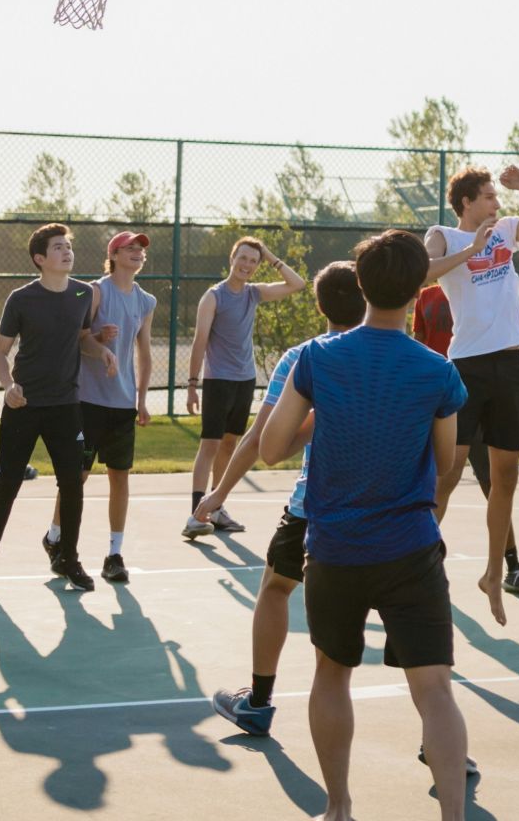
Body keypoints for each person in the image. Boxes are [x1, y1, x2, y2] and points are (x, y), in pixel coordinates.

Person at [258, 230, 471, 820]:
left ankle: (339, 809)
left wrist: (322, 413)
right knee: (435, 690)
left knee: (332, 673)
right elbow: (445, 463)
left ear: (360, 283)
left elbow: (271, 449)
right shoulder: (437, 370)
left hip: (335, 549)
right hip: (411, 550)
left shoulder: (316, 358)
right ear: (419, 288)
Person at [200, 261, 360, 736]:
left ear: (320, 306)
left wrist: (219, 492)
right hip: (388, 513)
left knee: (275, 588)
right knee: (404, 626)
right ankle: (442, 736)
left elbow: (261, 439)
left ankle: (258, 701)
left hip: (317, 506)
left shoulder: (304, 357)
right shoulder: (405, 356)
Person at [422, 164, 519, 624]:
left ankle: (494, 573)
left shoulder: (507, 229)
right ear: (466, 202)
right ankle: (416, 561)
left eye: (496, 196)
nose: (496, 203)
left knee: (505, 478)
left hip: (509, 364)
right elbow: (421, 274)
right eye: (488, 196)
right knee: (447, 473)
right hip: (466, 367)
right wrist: (472, 249)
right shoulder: (443, 236)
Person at [0, 223, 115, 595]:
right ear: (40, 258)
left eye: (68, 246)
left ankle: (69, 560)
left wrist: (101, 350)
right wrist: (8, 386)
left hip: (66, 406)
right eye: (58, 247)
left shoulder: (83, 293)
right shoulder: (21, 299)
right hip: (24, 405)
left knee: (72, 485)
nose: (66, 251)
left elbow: (82, 339)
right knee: (6, 485)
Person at [413, 281, 519, 598]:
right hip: (448, 396)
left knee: (496, 482)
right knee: (445, 477)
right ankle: (417, 565)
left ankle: (511, 567)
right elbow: (419, 345)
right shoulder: (427, 296)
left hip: (483, 392)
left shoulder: (487, 286)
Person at [42, 231, 158, 585]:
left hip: (122, 404)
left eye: (141, 249)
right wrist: (99, 341)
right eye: (130, 248)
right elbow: (77, 339)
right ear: (114, 255)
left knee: (120, 477)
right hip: (87, 401)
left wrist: (141, 399)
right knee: (77, 476)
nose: (137, 253)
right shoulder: (93, 291)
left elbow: (144, 353)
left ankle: (114, 555)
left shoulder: (146, 301)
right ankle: (55, 537)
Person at [183, 237, 305, 539]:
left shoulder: (253, 293)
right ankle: (196, 513)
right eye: (242, 258)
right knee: (210, 445)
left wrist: (270, 255)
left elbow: (297, 284)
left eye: (253, 260)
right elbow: (200, 341)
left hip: (244, 380)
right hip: (217, 381)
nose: (246, 265)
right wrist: (192, 384)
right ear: (232, 259)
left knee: (229, 444)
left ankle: (216, 507)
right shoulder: (213, 297)